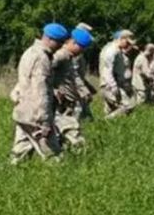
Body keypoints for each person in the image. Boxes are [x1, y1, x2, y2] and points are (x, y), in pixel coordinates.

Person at [10, 23, 69, 164]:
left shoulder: (30, 52)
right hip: (35, 114)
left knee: (21, 152)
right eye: (59, 42)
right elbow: (40, 91)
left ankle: (11, 177)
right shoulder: (42, 58)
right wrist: (44, 121)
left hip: (23, 110)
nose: (61, 46)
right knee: (54, 156)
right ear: (49, 39)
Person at [52, 27, 94, 148]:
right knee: (73, 133)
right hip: (59, 104)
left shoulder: (69, 57)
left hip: (68, 103)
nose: (82, 50)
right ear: (73, 42)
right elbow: (44, 71)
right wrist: (54, 90)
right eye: (81, 47)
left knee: (60, 135)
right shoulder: (60, 55)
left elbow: (74, 76)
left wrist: (84, 91)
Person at [99, 30, 135, 119]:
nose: (128, 45)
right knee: (127, 106)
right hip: (110, 85)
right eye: (127, 42)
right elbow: (107, 70)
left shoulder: (117, 50)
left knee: (111, 109)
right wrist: (113, 86)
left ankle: (106, 126)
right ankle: (105, 121)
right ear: (121, 39)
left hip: (112, 84)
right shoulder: (112, 50)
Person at [72, 23, 96, 121]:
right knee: (77, 109)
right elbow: (74, 73)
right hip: (74, 86)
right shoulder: (74, 53)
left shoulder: (79, 53)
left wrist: (87, 84)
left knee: (86, 113)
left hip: (78, 84)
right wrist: (83, 89)